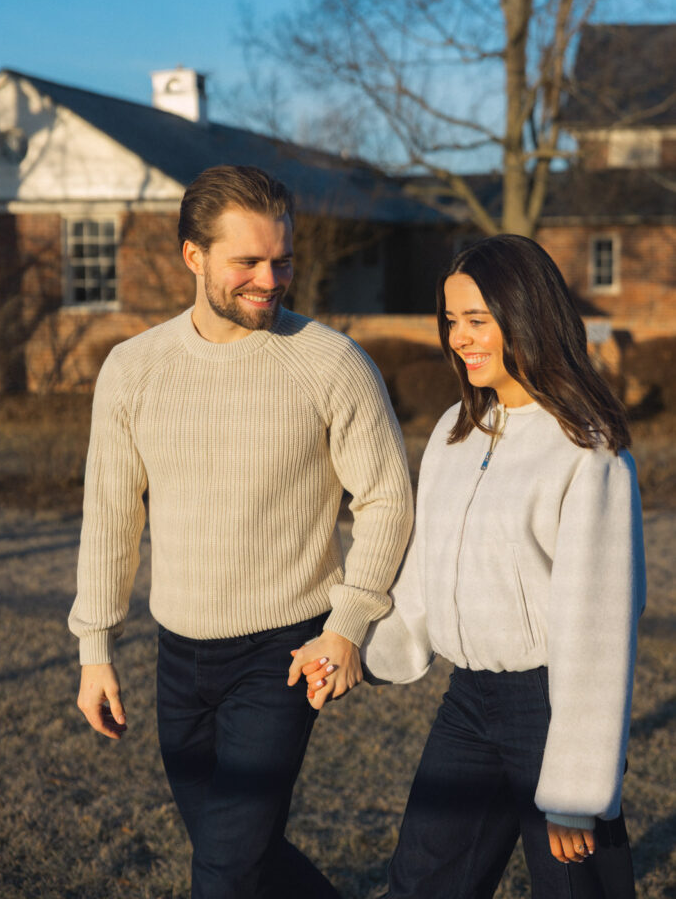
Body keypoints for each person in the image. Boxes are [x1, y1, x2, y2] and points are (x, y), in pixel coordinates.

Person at [69, 164, 413, 899]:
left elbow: (386, 498)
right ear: (193, 256)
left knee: (222, 871)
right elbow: (110, 512)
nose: (270, 278)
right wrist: (94, 649)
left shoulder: (331, 362)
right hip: (179, 657)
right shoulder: (132, 369)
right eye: (248, 262)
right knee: (242, 854)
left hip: (284, 653)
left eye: (282, 260)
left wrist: (348, 623)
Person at [311, 234, 646, 898]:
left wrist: (575, 790)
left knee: (580, 893)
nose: (459, 338)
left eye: (476, 321)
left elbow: (598, 630)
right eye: (450, 320)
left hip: (549, 710)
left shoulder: (586, 451)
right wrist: (357, 648)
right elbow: (422, 577)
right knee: (422, 883)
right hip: (468, 707)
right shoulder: (455, 431)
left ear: (526, 318)